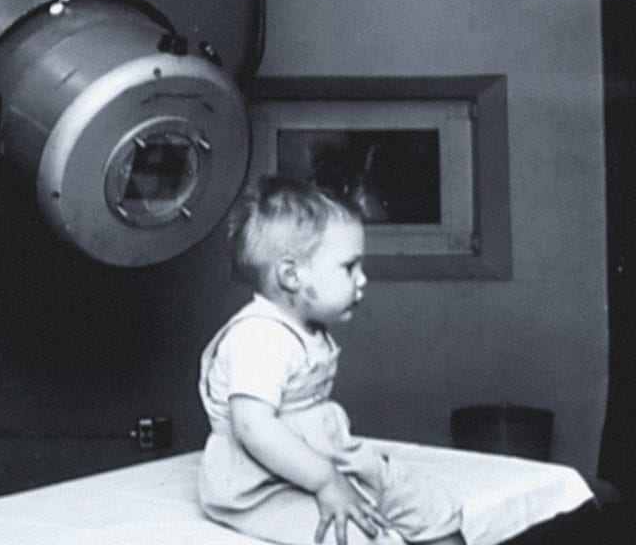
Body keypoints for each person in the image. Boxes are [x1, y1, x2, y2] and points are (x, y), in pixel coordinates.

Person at [197, 176, 465, 545]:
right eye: (349, 267)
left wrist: (335, 470)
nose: (363, 279)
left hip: (317, 458)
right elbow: (253, 428)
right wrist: (327, 480)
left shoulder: (306, 326)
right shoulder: (259, 337)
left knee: (430, 506)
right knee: (353, 535)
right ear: (291, 275)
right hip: (259, 482)